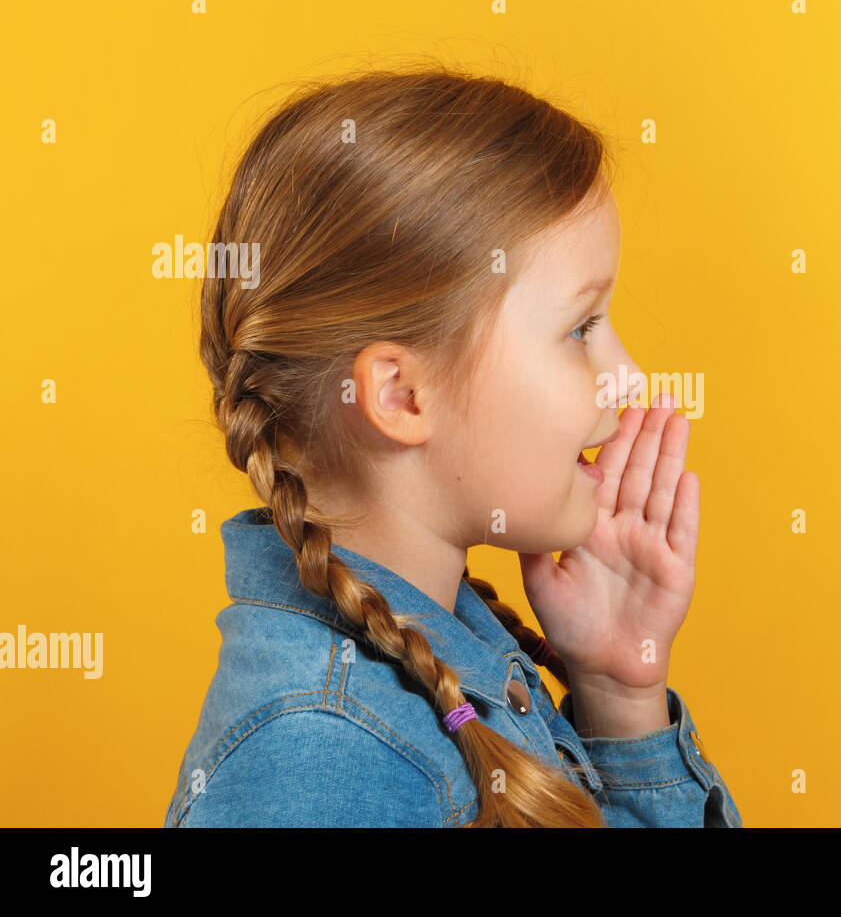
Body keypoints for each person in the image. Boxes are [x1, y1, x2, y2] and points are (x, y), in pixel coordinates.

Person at [162, 65, 742, 827]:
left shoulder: (450, 664)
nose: (627, 377)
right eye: (580, 329)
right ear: (402, 395)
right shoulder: (316, 760)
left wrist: (619, 690)